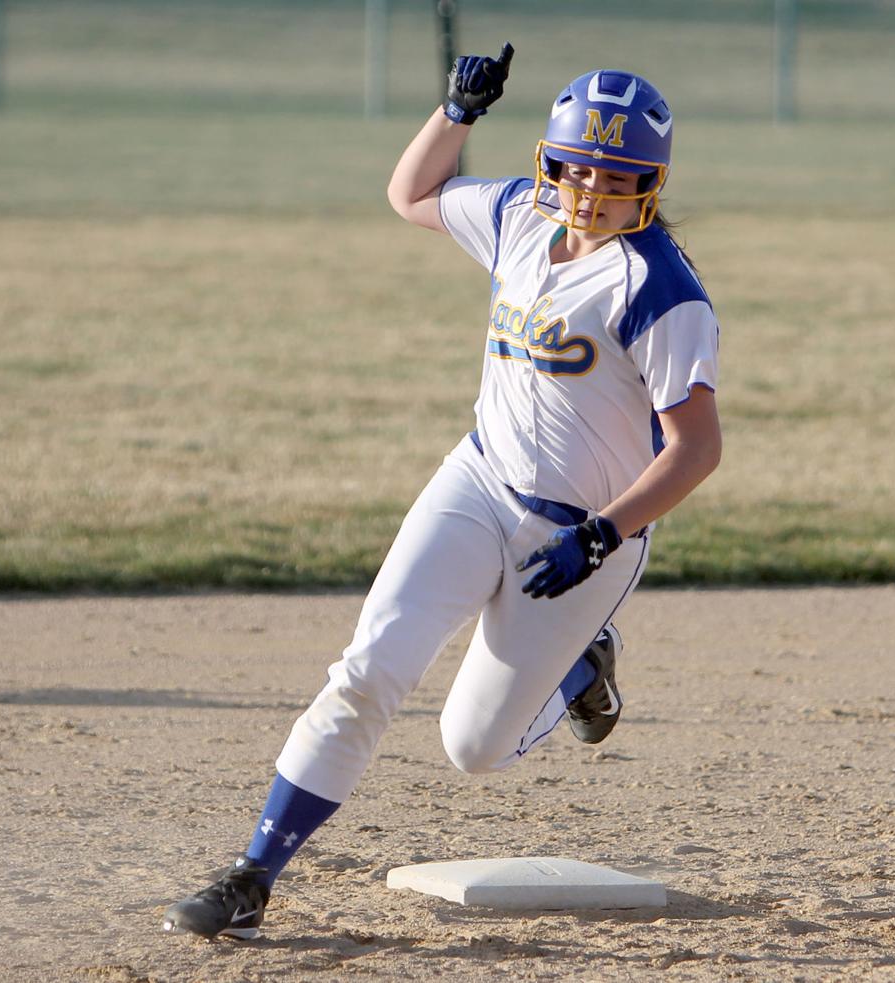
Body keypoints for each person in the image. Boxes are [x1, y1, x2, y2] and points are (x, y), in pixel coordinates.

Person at [162, 43, 721, 940]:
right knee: (367, 671)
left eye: (615, 177)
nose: (588, 189)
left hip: (581, 535)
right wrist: (455, 115)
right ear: (551, 161)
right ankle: (251, 875)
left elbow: (697, 450)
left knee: (474, 748)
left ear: (650, 185)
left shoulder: (660, 289)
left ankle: (584, 657)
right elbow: (410, 196)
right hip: (476, 481)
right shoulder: (517, 214)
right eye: (575, 165)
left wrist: (604, 535)